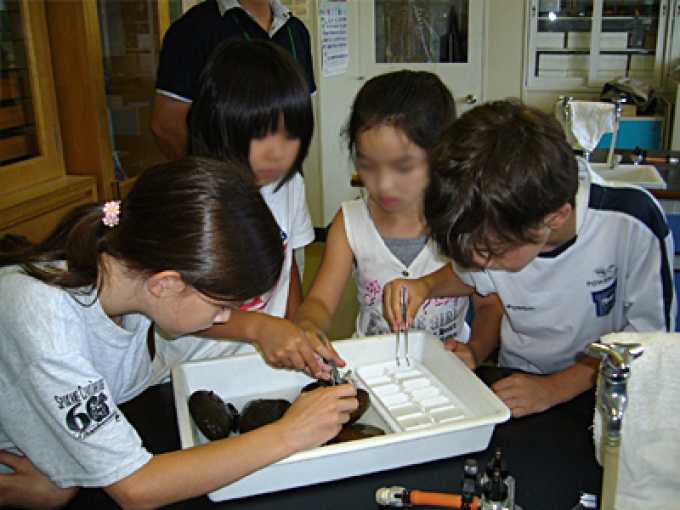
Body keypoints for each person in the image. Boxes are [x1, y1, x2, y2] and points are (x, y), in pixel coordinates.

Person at [0, 157, 357, 509]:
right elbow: (136, 488)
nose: (223, 318)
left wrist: (261, 327)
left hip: (50, 451)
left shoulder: (127, 269)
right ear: (166, 284)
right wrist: (289, 433)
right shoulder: (48, 323)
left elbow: (185, 313)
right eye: (221, 306)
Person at [384, 99, 676, 418]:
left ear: (555, 218)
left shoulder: (631, 223)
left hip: (609, 388)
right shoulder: (501, 227)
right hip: (520, 380)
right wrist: (424, 286)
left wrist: (555, 388)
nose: (479, 263)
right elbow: (470, 275)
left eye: (490, 253)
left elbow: (647, 344)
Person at [295, 70, 503, 346]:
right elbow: (320, 301)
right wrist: (309, 327)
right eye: (367, 165)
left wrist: (474, 352)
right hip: (374, 368)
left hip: (447, 366)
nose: (383, 185)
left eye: (403, 167)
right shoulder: (350, 223)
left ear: (440, 156)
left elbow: (490, 306)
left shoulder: (463, 218)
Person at [150, 39, 317, 383]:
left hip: (260, 362)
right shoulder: (190, 200)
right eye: (262, 137)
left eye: (290, 137)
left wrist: (297, 326)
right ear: (222, 126)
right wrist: (260, 326)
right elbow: (173, 313)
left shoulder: (289, 186)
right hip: (192, 369)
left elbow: (290, 269)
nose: (278, 155)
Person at [151, 0, 315, 160]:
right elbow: (166, 126)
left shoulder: (296, 31)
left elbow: (302, 112)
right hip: (224, 179)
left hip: (286, 176)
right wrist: (205, 178)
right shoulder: (192, 30)